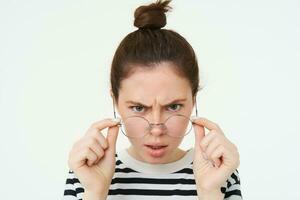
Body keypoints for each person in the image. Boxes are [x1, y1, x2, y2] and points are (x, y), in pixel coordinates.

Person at [63, 0, 242, 199]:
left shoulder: (219, 171)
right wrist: (96, 192)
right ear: (115, 101)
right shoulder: (85, 172)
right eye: (138, 108)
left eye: (173, 106)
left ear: (193, 100)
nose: (156, 129)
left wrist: (209, 192)